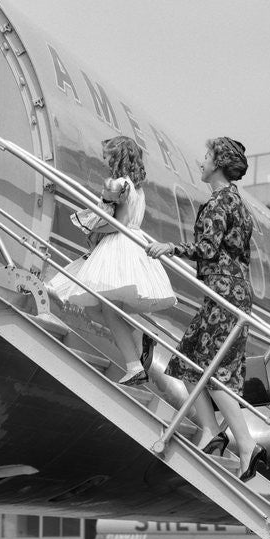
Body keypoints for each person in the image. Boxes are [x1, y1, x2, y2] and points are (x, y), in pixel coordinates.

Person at [148, 137, 265, 482]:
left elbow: (207, 248)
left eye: (206, 157)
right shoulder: (239, 205)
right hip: (230, 292)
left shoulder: (219, 203)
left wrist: (171, 247)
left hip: (223, 293)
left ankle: (246, 445)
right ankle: (212, 431)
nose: (201, 162)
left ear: (217, 163)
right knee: (188, 361)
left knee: (213, 371)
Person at [47, 136, 176, 385]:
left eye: (107, 154)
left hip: (119, 244)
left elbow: (120, 224)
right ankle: (137, 339)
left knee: (103, 305)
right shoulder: (137, 189)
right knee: (100, 307)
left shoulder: (119, 184)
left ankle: (133, 364)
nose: (104, 159)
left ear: (117, 156)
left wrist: (92, 228)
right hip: (132, 244)